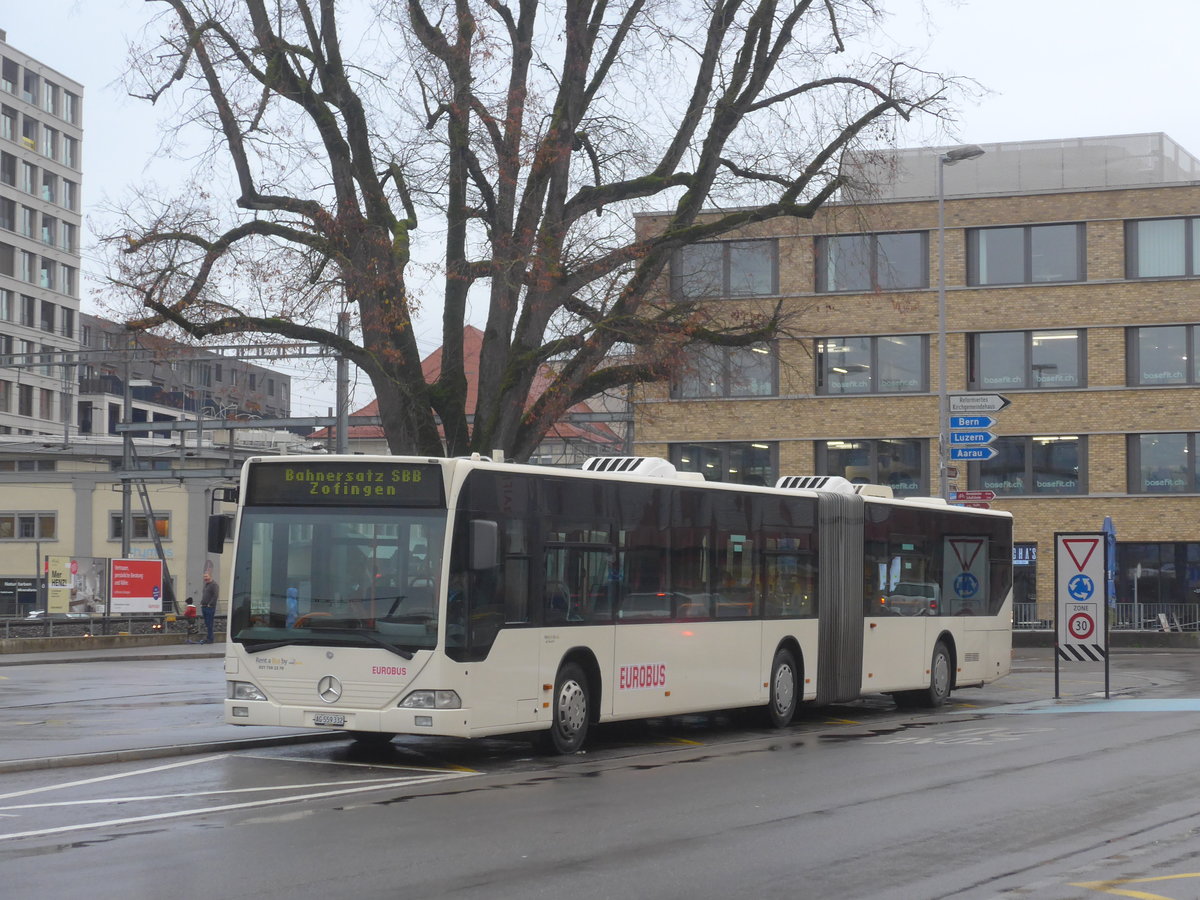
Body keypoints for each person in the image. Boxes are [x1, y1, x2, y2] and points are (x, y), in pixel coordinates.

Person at [200, 569, 218, 643]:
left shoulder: (214, 585)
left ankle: (210, 639)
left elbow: (215, 595)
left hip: (209, 608)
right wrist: (202, 603)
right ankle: (208, 637)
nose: (205, 578)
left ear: (210, 576)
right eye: (204, 577)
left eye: (206, 576)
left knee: (210, 623)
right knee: (207, 623)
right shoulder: (206, 585)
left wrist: (210, 604)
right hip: (204, 607)